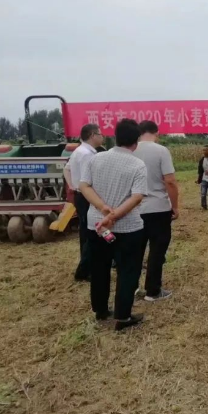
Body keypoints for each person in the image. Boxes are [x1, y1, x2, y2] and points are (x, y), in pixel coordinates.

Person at [79, 119, 148, 331]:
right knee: (127, 270)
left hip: (97, 226)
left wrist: (103, 209)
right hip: (127, 228)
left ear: (115, 137)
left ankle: (100, 310)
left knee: (99, 268)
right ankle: (123, 316)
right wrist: (114, 215)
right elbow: (137, 197)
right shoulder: (137, 165)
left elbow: (84, 186)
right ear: (136, 141)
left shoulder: (96, 159)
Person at [133, 120, 179, 302]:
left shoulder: (130, 150)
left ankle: (132, 287)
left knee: (135, 251)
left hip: (133, 208)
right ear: (156, 133)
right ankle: (153, 290)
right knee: (157, 250)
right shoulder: (161, 151)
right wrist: (175, 206)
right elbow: (170, 181)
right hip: (158, 208)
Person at [63, 123, 104, 282]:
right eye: (100, 134)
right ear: (92, 135)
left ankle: (86, 267)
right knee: (91, 233)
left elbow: (66, 169)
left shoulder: (79, 151)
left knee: (85, 233)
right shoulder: (87, 154)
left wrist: (72, 186)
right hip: (87, 196)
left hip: (80, 195)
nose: (102, 137)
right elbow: (91, 179)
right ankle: (85, 270)